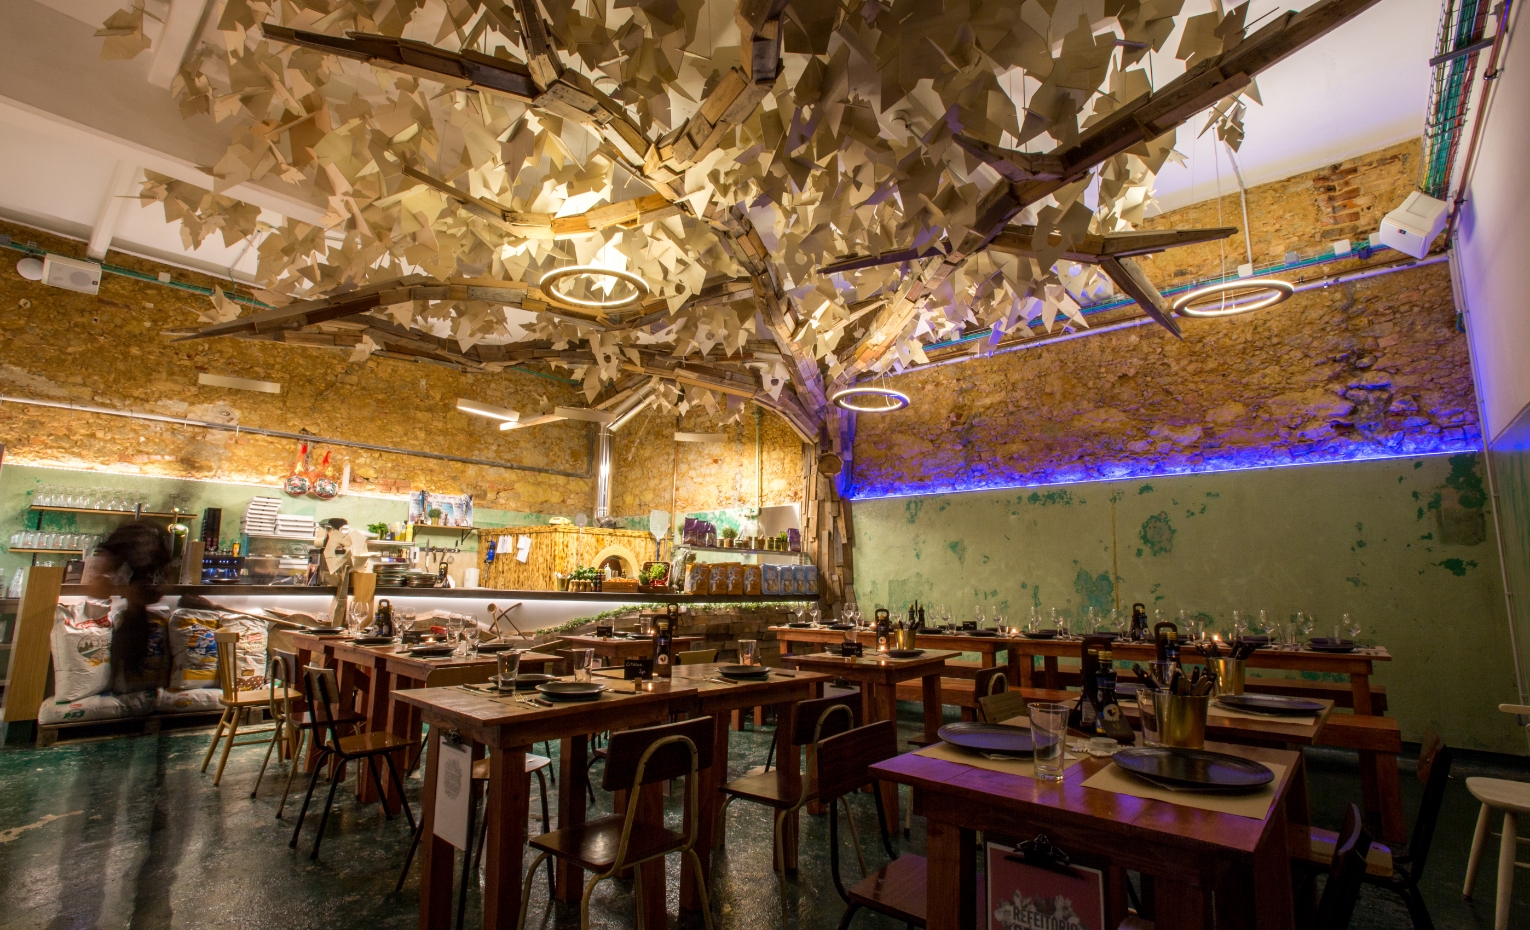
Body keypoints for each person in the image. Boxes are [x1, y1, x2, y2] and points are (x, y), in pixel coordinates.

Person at [83, 522, 171, 693]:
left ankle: (127, 690)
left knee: (132, 659)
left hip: (137, 615)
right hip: (136, 615)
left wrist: (112, 584)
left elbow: (97, 583)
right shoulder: (154, 536)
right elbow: (167, 577)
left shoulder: (127, 536)